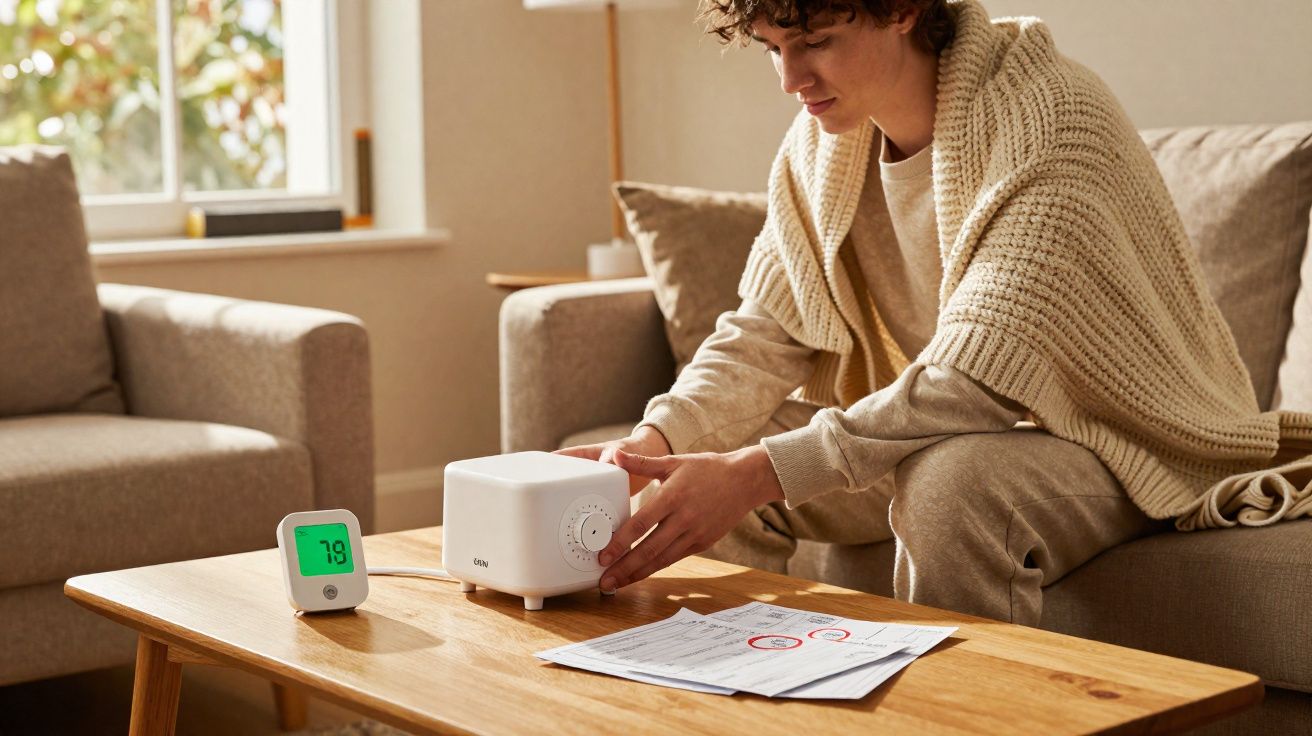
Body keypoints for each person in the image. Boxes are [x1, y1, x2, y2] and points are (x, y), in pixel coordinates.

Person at [559, 0, 1312, 625]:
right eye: (773, 49)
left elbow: (972, 382)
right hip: (966, 427)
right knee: (713, 456)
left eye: (816, 43)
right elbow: (766, 330)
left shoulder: (1051, 116)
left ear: (903, 10)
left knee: (951, 484)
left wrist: (758, 473)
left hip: (1123, 440)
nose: (791, 79)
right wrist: (650, 445)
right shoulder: (821, 145)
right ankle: (737, 694)